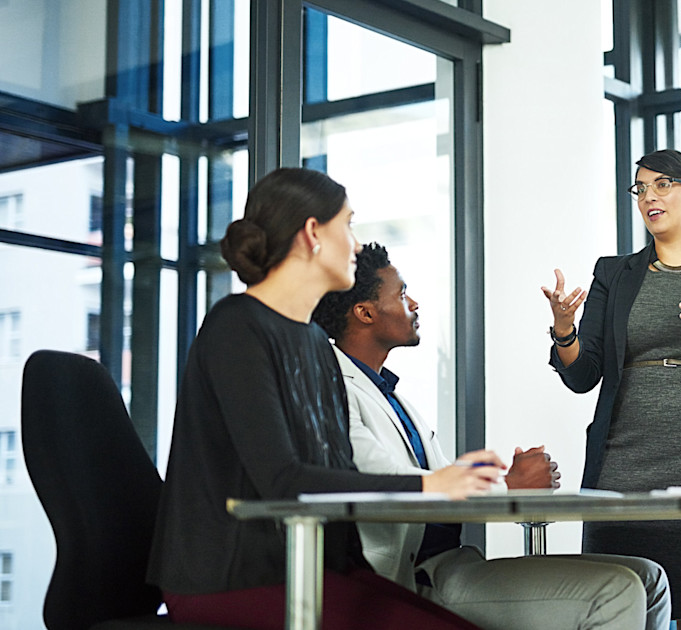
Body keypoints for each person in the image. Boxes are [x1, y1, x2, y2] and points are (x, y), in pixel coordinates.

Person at [147, 168, 501, 630]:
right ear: (313, 233)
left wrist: (361, 574)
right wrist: (429, 486)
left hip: (313, 570)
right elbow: (284, 480)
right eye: (348, 225)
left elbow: (339, 474)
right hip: (229, 579)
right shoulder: (237, 327)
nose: (355, 244)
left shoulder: (316, 345)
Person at [312, 242, 672, 630]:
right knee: (617, 590)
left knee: (649, 578)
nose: (414, 303)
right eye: (401, 294)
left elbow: (436, 482)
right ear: (365, 312)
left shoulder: (389, 392)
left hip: (456, 562)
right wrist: (507, 487)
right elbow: (388, 484)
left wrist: (508, 482)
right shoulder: (335, 390)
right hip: (413, 579)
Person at [542, 149, 681, 620]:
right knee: (617, 610)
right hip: (623, 469)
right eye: (641, 188)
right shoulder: (614, 273)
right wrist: (564, 328)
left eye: (662, 184)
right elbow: (583, 374)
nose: (649, 196)